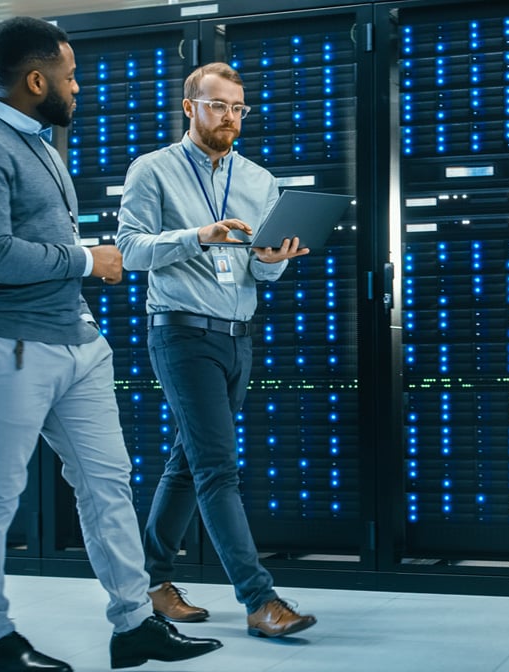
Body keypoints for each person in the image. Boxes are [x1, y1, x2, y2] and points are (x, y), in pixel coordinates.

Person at [0, 16, 222, 672]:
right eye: (68, 75)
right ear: (36, 80)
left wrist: (85, 301)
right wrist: (88, 261)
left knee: (108, 484)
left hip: (73, 342)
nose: (78, 86)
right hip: (1, 345)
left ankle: (133, 625)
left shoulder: (39, 142)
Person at [117, 62, 317, 638]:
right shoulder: (151, 170)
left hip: (239, 337)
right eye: (217, 106)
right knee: (217, 468)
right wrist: (196, 236)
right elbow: (130, 250)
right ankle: (259, 601)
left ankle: (150, 581)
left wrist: (271, 262)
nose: (229, 117)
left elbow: (257, 266)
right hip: (180, 332)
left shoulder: (258, 180)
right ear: (189, 107)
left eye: (237, 108)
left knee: (190, 459)